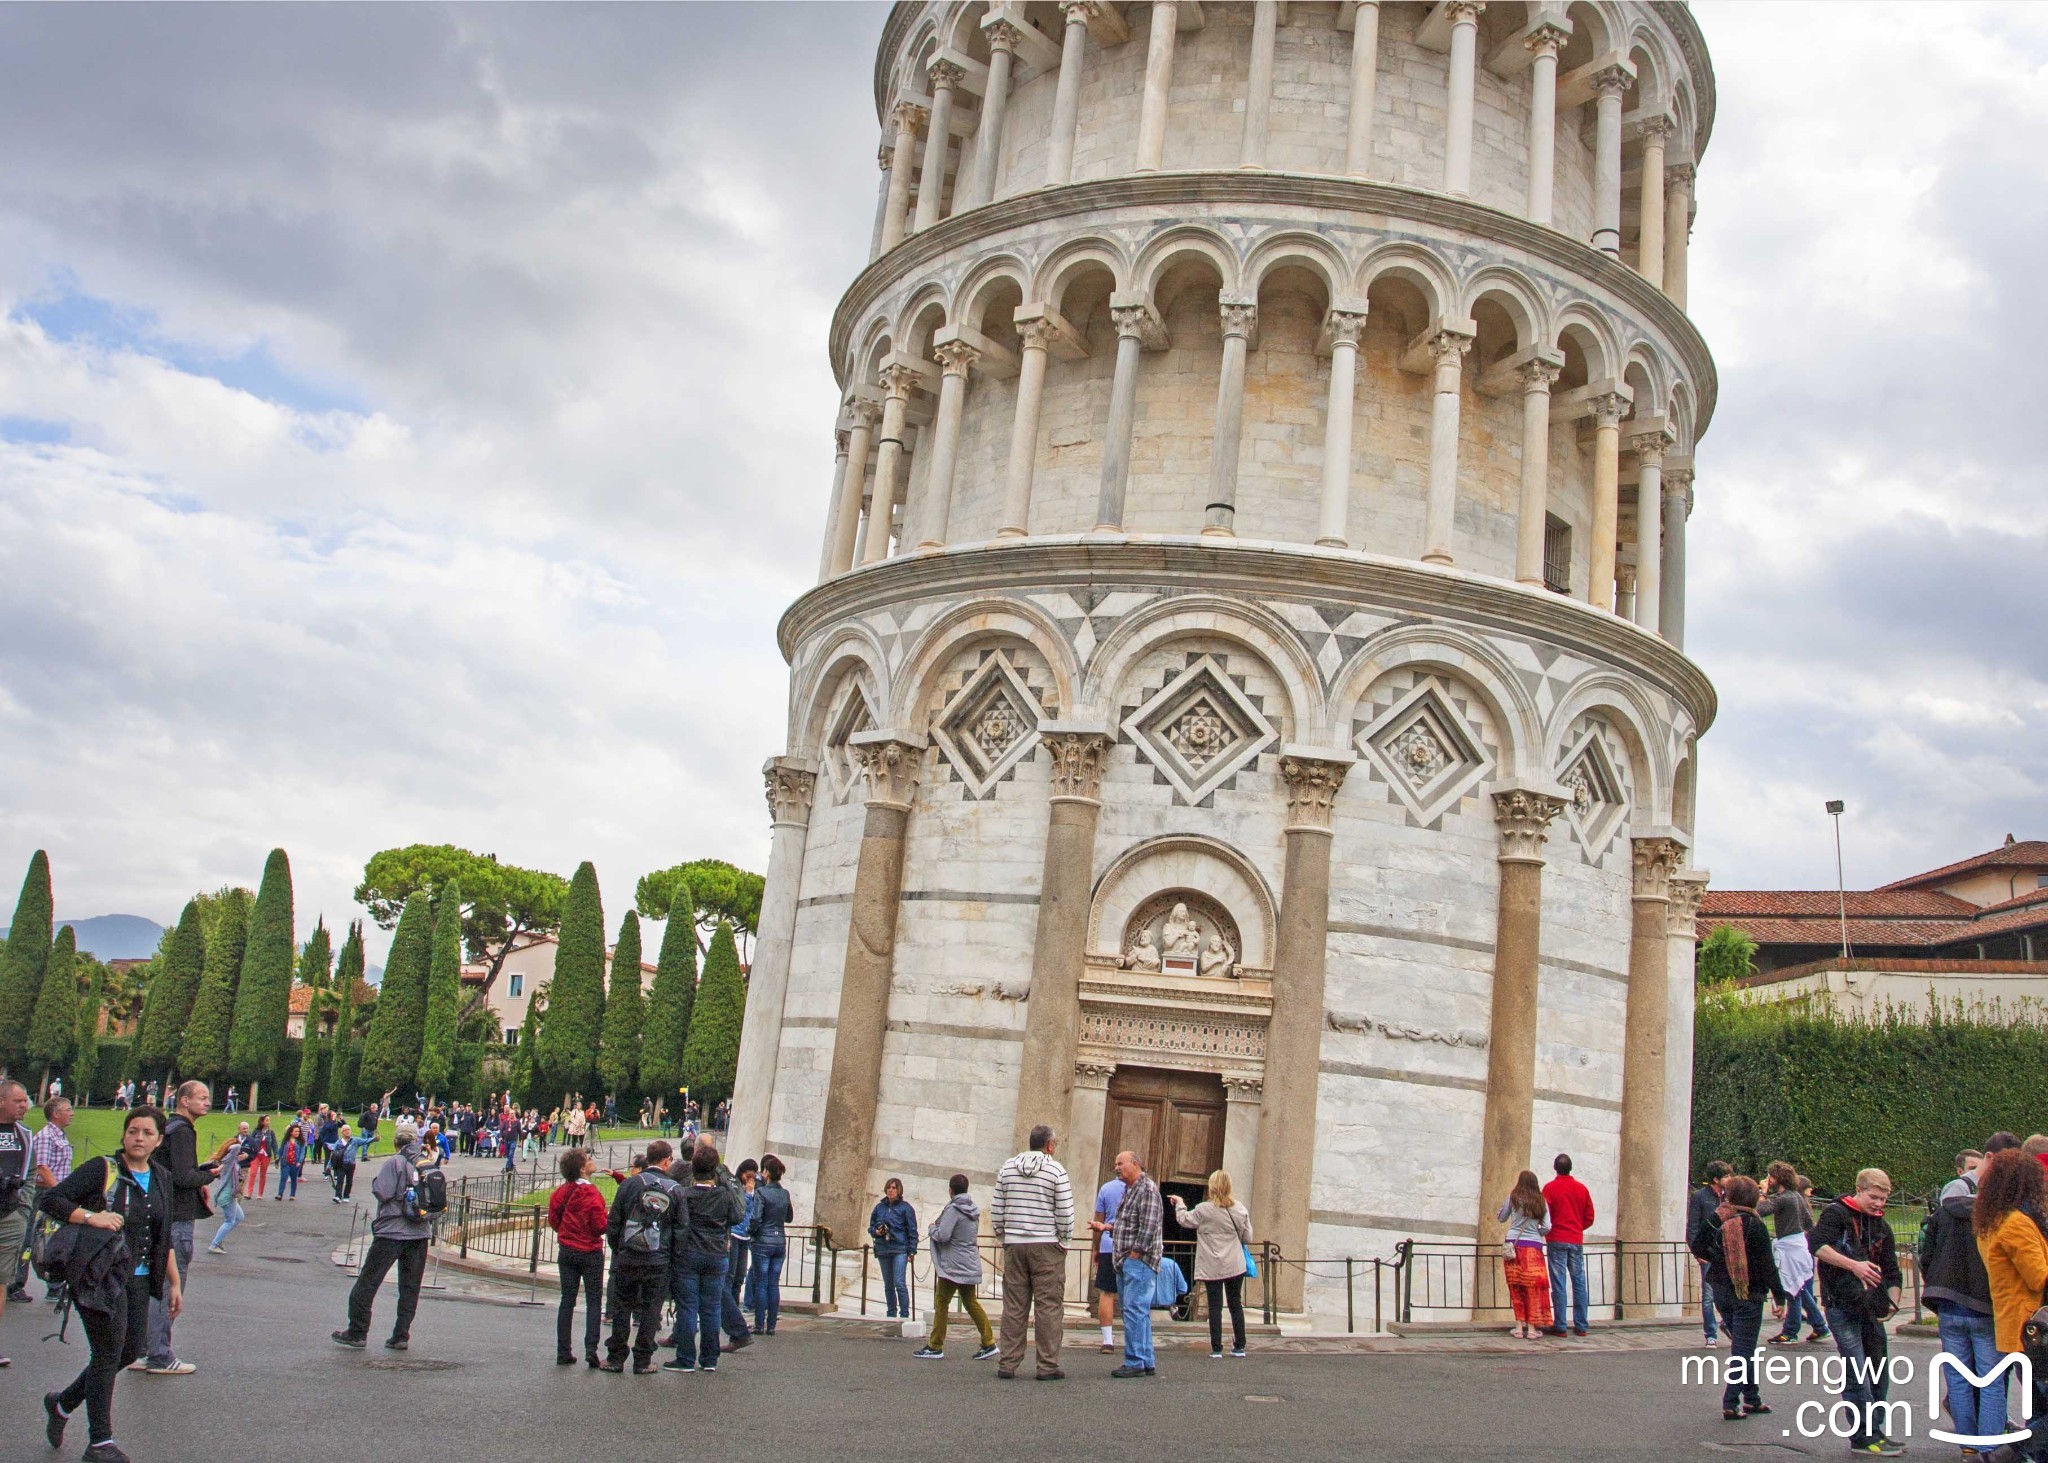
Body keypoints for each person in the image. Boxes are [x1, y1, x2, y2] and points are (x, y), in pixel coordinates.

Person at [39, 1105, 183, 1463]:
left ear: (158, 1140)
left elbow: (161, 1235)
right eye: (133, 1130)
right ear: (124, 1134)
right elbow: (51, 1199)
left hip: (138, 1280)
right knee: (106, 1354)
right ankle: (99, 1442)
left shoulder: (162, 1177)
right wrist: (92, 1216)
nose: (138, 1138)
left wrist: (174, 1283)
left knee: (129, 1352)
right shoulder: (102, 1170)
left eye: (147, 1133)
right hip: (98, 1278)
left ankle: (62, 1404)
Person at [1811, 1168, 1905, 1457]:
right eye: (1874, 1197)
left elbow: (1892, 1271)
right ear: (1859, 1190)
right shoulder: (1836, 1214)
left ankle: (1875, 1431)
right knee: (1857, 1370)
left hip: (1869, 1309)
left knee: (1878, 1369)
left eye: (1883, 1199)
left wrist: (1893, 1303)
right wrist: (1854, 1265)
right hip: (1841, 1305)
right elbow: (1817, 1245)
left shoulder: (1881, 1226)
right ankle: (1862, 1436)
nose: (1879, 1204)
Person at [1922, 1143, 2003, 1454]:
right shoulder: (1995, 1218)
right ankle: (1990, 1447)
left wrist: (1937, 1286)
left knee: (1957, 1378)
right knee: (1991, 1379)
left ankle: (1967, 1444)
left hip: (1948, 1301)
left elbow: (1926, 1255)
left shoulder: (1945, 1211)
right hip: (1983, 1304)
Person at [146, 1079, 230, 1375]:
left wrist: (202, 1171)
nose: (207, 1102)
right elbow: (182, 1177)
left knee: (157, 1283)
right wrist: (209, 1177)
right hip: (177, 1217)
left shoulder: (170, 1129)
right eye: (202, 1097)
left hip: (165, 1213)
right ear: (184, 1100)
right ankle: (159, 1353)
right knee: (172, 1284)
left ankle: (148, 1348)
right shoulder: (182, 1131)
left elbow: (177, 1171)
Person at [331, 1119, 433, 1352]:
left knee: (368, 1281)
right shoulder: (427, 1164)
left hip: (392, 1230)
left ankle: (357, 1330)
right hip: (420, 1232)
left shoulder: (395, 1162)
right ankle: (401, 1334)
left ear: (397, 1142)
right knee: (410, 1286)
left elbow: (382, 1191)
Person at [1973, 1147, 2048, 1461]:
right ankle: (2011, 1453)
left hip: (2012, 1328)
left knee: (2037, 1403)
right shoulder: (2017, 1223)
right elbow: (2039, 1277)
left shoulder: (1991, 1221)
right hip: (2034, 1328)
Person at [1690, 1174, 1785, 1420]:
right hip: (1748, 1293)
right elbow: (1767, 1265)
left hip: (1721, 1290)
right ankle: (1730, 1402)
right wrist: (1780, 1297)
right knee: (1743, 1351)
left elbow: (1698, 1245)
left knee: (1745, 1348)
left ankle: (1752, 1398)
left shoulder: (1718, 1219)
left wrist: (1719, 1258)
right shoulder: (1755, 1225)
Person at [990, 1124, 1074, 1381]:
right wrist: (1064, 1241)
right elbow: (1065, 1212)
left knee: (1014, 1305)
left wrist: (1004, 1237)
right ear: (1050, 1145)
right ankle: (1047, 1365)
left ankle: (1008, 1363)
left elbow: (997, 1208)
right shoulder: (1056, 1170)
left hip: (1015, 1244)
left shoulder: (1008, 1168)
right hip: (1047, 1243)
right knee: (1048, 1306)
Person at [602, 1139, 676, 1373]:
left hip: (629, 1255)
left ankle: (616, 1357)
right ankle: (643, 1359)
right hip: (658, 1258)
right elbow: (681, 1228)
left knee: (623, 1306)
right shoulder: (674, 1189)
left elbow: (614, 1222)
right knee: (651, 1309)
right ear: (667, 1160)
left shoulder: (630, 1184)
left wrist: (619, 1248)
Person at [666, 1143, 741, 1372]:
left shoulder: (684, 1194)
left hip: (689, 1253)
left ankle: (686, 1358)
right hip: (717, 1253)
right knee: (711, 1308)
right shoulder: (725, 1196)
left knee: (688, 1307)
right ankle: (710, 1359)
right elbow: (737, 1216)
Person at [1167, 1168, 1253, 1359]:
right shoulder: (1239, 1209)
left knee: (1215, 1305)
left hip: (1211, 1263)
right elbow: (1248, 1237)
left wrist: (1180, 1204)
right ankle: (1239, 1345)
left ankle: (1216, 1348)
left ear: (1212, 1187)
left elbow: (1183, 1220)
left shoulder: (1203, 1209)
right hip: (1234, 1263)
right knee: (1235, 1303)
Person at [914, 1172, 997, 1361]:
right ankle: (988, 1341)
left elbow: (943, 1235)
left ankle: (935, 1345)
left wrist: (931, 1228)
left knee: (942, 1302)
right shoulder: (973, 1210)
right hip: (968, 1262)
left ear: (950, 1190)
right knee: (971, 1302)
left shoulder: (953, 1209)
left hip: (953, 1265)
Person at [547, 1147, 608, 1367]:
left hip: (567, 1249)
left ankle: (563, 1350)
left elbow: (554, 1220)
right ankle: (591, 1348)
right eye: (589, 1159)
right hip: (590, 1251)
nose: (592, 1161)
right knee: (593, 1300)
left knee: (567, 1300)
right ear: (582, 1168)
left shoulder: (560, 1193)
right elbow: (600, 1225)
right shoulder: (592, 1194)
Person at [1108, 1149, 1163, 1379]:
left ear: (1135, 1164)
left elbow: (1148, 1226)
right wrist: (1107, 1229)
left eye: (1120, 1163)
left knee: (1134, 1311)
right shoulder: (1129, 1189)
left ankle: (1135, 1361)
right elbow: (1128, 1223)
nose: (1116, 1167)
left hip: (1138, 1261)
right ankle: (1145, 1359)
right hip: (1127, 1260)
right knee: (1138, 1311)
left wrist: (1135, 1254)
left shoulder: (1147, 1188)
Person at [1760, 1161, 1827, 1346]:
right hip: (1798, 1245)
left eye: (1770, 1176)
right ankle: (1820, 1325)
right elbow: (1808, 1223)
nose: (1768, 1180)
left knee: (1793, 1289)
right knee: (1800, 1288)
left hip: (1789, 1247)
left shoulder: (1783, 1198)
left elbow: (1759, 1210)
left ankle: (1791, 1331)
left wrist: (1763, 1192)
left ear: (1777, 1178)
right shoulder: (1796, 1197)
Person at [0, 1078, 41, 1355]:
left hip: (10, 1215)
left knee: (1, 1279)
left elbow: (32, 1173)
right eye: (18, 1100)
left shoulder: (24, 1134)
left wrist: (22, 1207)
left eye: (25, 1100)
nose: (24, 1105)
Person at [24, 1095, 76, 1306]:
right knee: (39, 1237)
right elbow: (42, 1167)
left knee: (56, 1237)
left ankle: (55, 1286)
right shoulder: (46, 1136)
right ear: (55, 1114)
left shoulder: (60, 1135)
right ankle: (21, 1283)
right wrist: (59, 1191)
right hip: (46, 1193)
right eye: (68, 1109)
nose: (72, 1113)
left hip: (56, 1192)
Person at [1540, 1153, 1594, 1338]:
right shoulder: (1582, 1189)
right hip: (1575, 1239)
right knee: (1579, 1281)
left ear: (1555, 1168)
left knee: (1559, 1282)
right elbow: (1589, 1216)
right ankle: (1581, 1325)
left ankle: (1560, 1324)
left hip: (1556, 1238)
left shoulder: (1550, 1188)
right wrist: (1578, 1227)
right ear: (1570, 1168)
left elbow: (1544, 1214)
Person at [1496, 1169, 1552, 1340]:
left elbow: (1501, 1218)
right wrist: (1537, 1232)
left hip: (1514, 1246)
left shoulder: (1512, 1197)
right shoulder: (1541, 1201)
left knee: (1516, 1287)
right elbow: (1548, 1226)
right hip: (1534, 1249)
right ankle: (1533, 1329)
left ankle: (1519, 1327)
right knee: (1533, 1288)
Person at [1687, 1160, 1733, 1345]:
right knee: (1708, 1295)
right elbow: (1693, 1226)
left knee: (1728, 1292)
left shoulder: (1729, 1196)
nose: (1730, 1179)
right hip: (1708, 1251)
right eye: (1726, 1176)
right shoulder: (1700, 1197)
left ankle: (1728, 1324)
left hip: (1727, 1251)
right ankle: (1711, 1334)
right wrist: (1697, 1252)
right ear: (1716, 1179)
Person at [750, 1154, 792, 1335]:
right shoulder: (784, 1193)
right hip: (779, 1240)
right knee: (773, 1284)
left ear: (767, 1172)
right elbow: (789, 1217)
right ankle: (772, 1325)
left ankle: (760, 1324)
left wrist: (751, 1231)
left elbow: (756, 1217)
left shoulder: (761, 1192)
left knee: (761, 1283)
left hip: (763, 1241)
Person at [1089, 1161, 1127, 1355]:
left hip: (1108, 1245)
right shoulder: (1141, 1188)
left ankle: (1107, 1340)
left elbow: (1098, 1220)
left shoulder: (1106, 1188)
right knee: (1132, 1293)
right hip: (1131, 1246)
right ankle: (1133, 1337)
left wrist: (1095, 1247)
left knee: (1106, 1293)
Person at [869, 1177, 918, 1321]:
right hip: (883, 1248)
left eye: (894, 1188)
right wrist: (876, 1231)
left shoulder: (906, 1208)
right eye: (889, 1187)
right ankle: (891, 1312)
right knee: (888, 1283)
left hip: (899, 1248)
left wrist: (912, 1250)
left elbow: (912, 1231)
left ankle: (904, 1314)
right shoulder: (879, 1207)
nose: (891, 1190)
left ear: (899, 1190)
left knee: (899, 1282)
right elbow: (871, 1226)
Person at [207, 1125, 249, 1254]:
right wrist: (237, 1143)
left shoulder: (229, 1160)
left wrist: (242, 1156)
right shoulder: (228, 1160)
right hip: (226, 1195)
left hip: (230, 1194)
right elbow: (235, 1148)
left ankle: (219, 1240)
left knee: (239, 1217)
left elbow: (234, 1153)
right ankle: (214, 1244)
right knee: (229, 1220)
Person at [241, 1115, 275, 1200]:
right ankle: (249, 1193)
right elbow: (251, 1141)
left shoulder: (271, 1132)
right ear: (262, 1121)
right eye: (267, 1120)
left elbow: (274, 1144)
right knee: (253, 1173)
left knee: (263, 1174)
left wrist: (277, 1154)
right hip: (256, 1154)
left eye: (269, 1120)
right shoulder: (256, 1131)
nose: (268, 1122)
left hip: (266, 1155)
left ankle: (260, 1193)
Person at [274, 1122, 305, 1200]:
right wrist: (277, 1157)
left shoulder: (301, 1141)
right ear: (291, 1132)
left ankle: (292, 1194)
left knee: (294, 1179)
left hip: (295, 1163)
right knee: (283, 1178)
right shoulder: (285, 1140)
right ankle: (280, 1194)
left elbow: (302, 1152)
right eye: (295, 1131)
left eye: (298, 1131)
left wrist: (300, 1162)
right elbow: (281, 1150)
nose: (297, 1133)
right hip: (285, 1162)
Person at [329, 1122, 358, 1203]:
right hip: (341, 1164)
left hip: (351, 1164)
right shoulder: (338, 1142)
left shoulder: (355, 1140)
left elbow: (366, 1141)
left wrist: (374, 1139)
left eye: (348, 1129)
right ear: (342, 1132)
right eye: (345, 1130)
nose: (347, 1131)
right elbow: (333, 1155)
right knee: (340, 1180)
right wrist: (329, 1165)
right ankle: (338, 1196)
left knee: (349, 1181)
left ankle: (346, 1196)